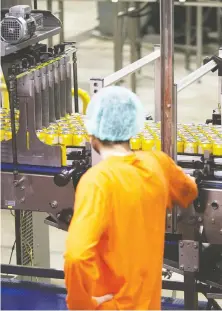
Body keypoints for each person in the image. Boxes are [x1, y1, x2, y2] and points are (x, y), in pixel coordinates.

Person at [64, 86, 198, 310]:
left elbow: (76, 255)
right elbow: (189, 190)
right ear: (132, 128)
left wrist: (81, 304)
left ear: (92, 135)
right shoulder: (158, 163)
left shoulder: (97, 181)